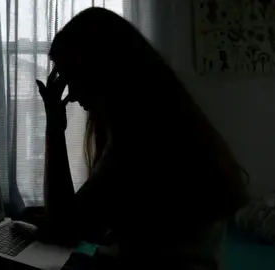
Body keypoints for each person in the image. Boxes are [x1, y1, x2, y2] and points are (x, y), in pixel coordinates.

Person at [19, 7, 249, 269]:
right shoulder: (166, 118)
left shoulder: (137, 143)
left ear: (99, 70)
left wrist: (55, 127)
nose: (70, 94)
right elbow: (90, 225)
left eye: (72, 77)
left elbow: (65, 231)